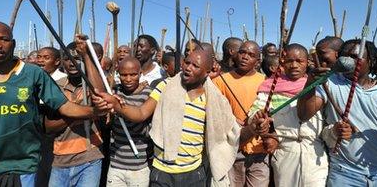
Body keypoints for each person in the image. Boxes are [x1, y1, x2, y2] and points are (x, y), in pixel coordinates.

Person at [0, 21, 111, 186]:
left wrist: (95, 111)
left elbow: (65, 107)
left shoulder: (33, 73)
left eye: (4, 39)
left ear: (13, 44)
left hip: (25, 169)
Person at [95, 49, 271, 186]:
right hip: (161, 171)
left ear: (207, 72)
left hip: (194, 174)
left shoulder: (215, 100)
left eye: (195, 66)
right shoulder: (165, 86)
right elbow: (141, 113)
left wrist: (253, 128)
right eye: (187, 62)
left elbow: (232, 137)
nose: (188, 68)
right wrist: (118, 106)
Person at [298, 39, 377, 187]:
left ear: (371, 60)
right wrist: (310, 82)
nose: (347, 60)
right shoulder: (329, 83)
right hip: (344, 173)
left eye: (355, 56)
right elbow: (303, 114)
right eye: (344, 56)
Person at [251, 43, 328, 187]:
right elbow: (256, 112)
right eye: (289, 61)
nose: (294, 65)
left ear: (307, 63)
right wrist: (261, 123)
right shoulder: (270, 86)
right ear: (282, 63)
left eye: (299, 61)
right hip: (284, 152)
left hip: (315, 153)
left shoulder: (320, 86)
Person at [46, 41, 105, 187]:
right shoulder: (55, 86)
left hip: (90, 158)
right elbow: (49, 127)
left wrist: (86, 55)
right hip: (60, 159)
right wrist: (79, 110)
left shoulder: (93, 84)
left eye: (78, 58)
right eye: (67, 58)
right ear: (62, 62)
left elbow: (101, 95)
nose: (72, 63)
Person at [213, 41, 268, 187]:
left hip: (259, 149)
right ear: (236, 54)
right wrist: (231, 119)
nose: (245, 57)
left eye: (251, 55)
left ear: (258, 61)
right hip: (233, 149)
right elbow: (215, 112)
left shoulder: (265, 81)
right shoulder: (220, 81)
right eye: (242, 52)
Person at [103, 57, 153, 186]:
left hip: (139, 166)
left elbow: (148, 132)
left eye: (133, 74)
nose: (129, 79)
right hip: (116, 164)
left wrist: (123, 111)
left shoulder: (149, 95)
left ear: (140, 73)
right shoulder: (114, 92)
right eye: (124, 75)